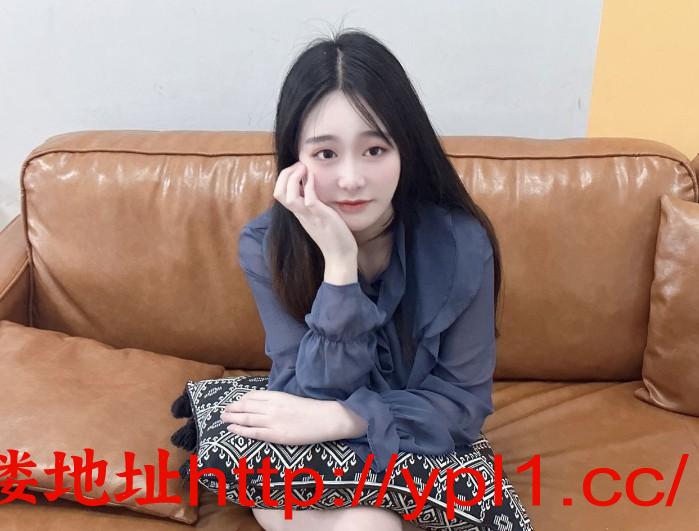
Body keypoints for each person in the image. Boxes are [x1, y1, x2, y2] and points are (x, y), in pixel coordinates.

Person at [222, 27, 503, 531]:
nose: (351, 180)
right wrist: (339, 265)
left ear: (405, 149)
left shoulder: (461, 243)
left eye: (374, 150)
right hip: (311, 450)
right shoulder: (266, 245)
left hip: (416, 446)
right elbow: (307, 392)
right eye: (326, 154)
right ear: (295, 159)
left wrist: (346, 418)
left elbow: (463, 402)